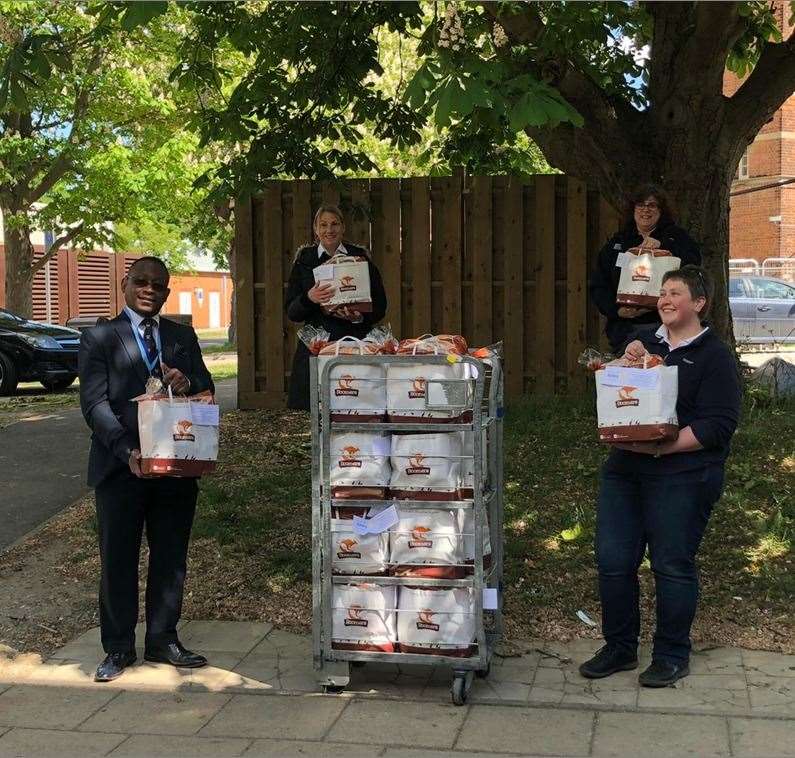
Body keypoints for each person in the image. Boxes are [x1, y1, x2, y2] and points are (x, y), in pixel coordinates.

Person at [579, 265, 741, 687]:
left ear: (699, 303)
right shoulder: (644, 342)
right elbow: (621, 397)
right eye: (662, 293)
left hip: (684, 475)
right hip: (626, 470)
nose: (665, 299)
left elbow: (718, 426)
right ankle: (620, 647)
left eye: (675, 292)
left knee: (671, 564)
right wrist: (619, 366)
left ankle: (671, 653)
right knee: (613, 561)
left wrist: (663, 446)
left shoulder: (714, 356)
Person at [78, 256, 214, 682]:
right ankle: (118, 648)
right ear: (125, 284)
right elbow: (94, 405)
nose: (149, 289)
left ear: (167, 292)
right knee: (117, 558)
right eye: (141, 281)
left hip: (175, 465)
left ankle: (162, 639)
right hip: (121, 468)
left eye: (158, 285)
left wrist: (186, 382)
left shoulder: (181, 336)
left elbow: (205, 387)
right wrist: (125, 451)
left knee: (171, 556)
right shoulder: (99, 337)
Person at [286, 204, 387, 410]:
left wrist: (358, 317)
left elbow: (380, 305)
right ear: (316, 229)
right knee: (313, 409)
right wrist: (309, 298)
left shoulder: (361, 258)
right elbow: (292, 312)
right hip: (317, 347)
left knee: (353, 405)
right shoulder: (304, 261)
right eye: (323, 225)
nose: (329, 230)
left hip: (354, 343)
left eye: (334, 224)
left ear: (343, 228)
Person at [590, 184, 701, 352]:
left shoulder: (676, 237)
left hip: (666, 328)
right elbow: (599, 284)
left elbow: (694, 269)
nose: (645, 210)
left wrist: (665, 248)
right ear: (633, 209)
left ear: (661, 210)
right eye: (640, 205)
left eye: (652, 205)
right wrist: (618, 311)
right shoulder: (618, 242)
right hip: (624, 331)